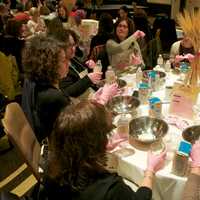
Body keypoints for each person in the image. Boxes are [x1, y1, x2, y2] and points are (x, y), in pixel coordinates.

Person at [42, 100, 166, 200]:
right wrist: (150, 171)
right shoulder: (110, 189)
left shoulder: (50, 169)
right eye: (106, 134)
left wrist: (100, 149)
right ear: (97, 141)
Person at [22, 35, 117, 142]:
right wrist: (104, 98)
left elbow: (72, 110)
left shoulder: (40, 84)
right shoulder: (52, 97)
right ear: (50, 66)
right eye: (63, 60)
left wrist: (95, 98)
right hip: (65, 149)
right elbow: (85, 127)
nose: (68, 63)